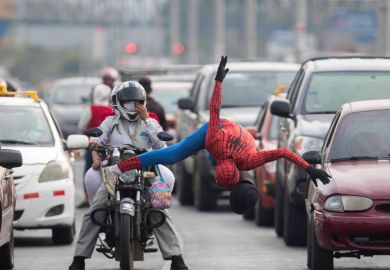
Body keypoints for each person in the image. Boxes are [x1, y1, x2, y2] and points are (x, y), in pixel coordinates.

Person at [107, 56, 331, 214]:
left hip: (225, 134)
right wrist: (218, 81)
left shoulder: (248, 161)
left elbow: (282, 152)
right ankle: (121, 168)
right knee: (170, 155)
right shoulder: (227, 149)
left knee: (172, 155)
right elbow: (214, 110)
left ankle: (122, 167)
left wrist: (309, 168)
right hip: (221, 133)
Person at [69, 81, 188, 270]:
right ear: (118, 102)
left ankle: (177, 258)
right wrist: (94, 145)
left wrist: (147, 119)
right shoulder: (110, 122)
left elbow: (161, 146)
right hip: (114, 172)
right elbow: (99, 137)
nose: (133, 106)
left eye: (137, 102)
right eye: (128, 102)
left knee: (160, 209)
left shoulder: (150, 122)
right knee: (95, 210)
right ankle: (79, 259)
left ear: (143, 102)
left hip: (146, 171)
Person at [78, 84, 115, 204]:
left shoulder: (91, 109)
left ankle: (87, 197)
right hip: (106, 146)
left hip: (92, 145)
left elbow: (81, 126)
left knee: (89, 171)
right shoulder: (110, 110)